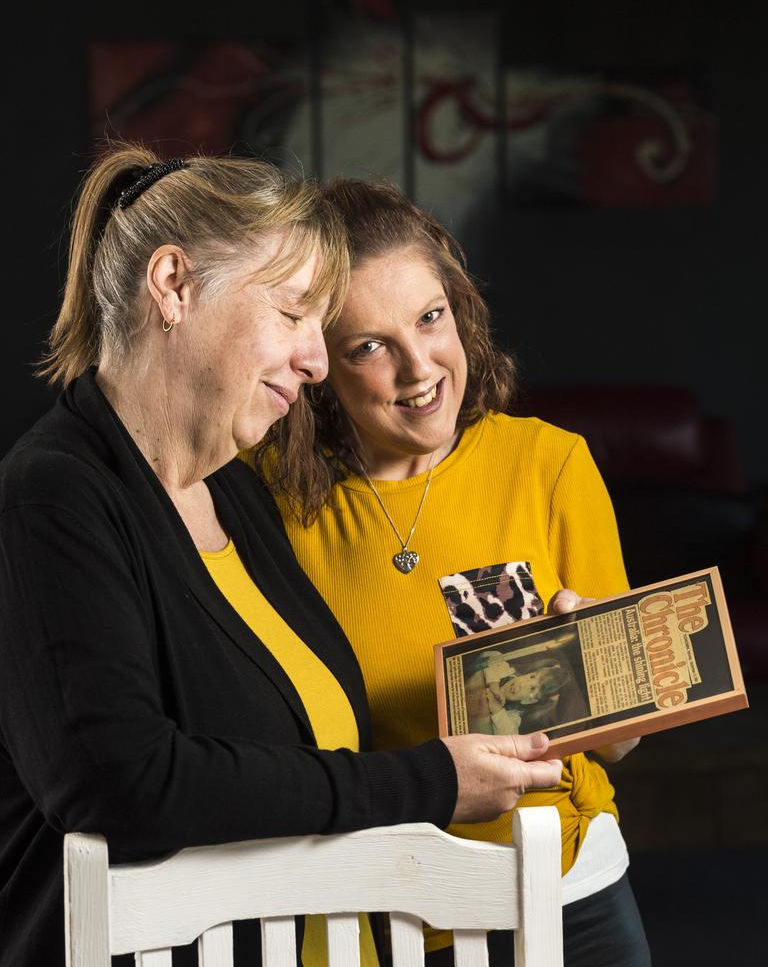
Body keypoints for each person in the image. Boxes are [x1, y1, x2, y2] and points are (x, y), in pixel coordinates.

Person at [0, 148, 563, 967]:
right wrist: (429, 782)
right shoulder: (49, 498)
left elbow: (300, 749)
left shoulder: (236, 492)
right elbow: (118, 781)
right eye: (294, 312)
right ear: (174, 286)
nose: (316, 359)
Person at [260, 179, 650, 966]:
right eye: (370, 346)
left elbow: (624, 743)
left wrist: (591, 670)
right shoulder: (266, 498)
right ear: (320, 365)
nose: (419, 367)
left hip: (564, 893)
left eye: (430, 318)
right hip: (374, 910)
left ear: (460, 311)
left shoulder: (549, 463)